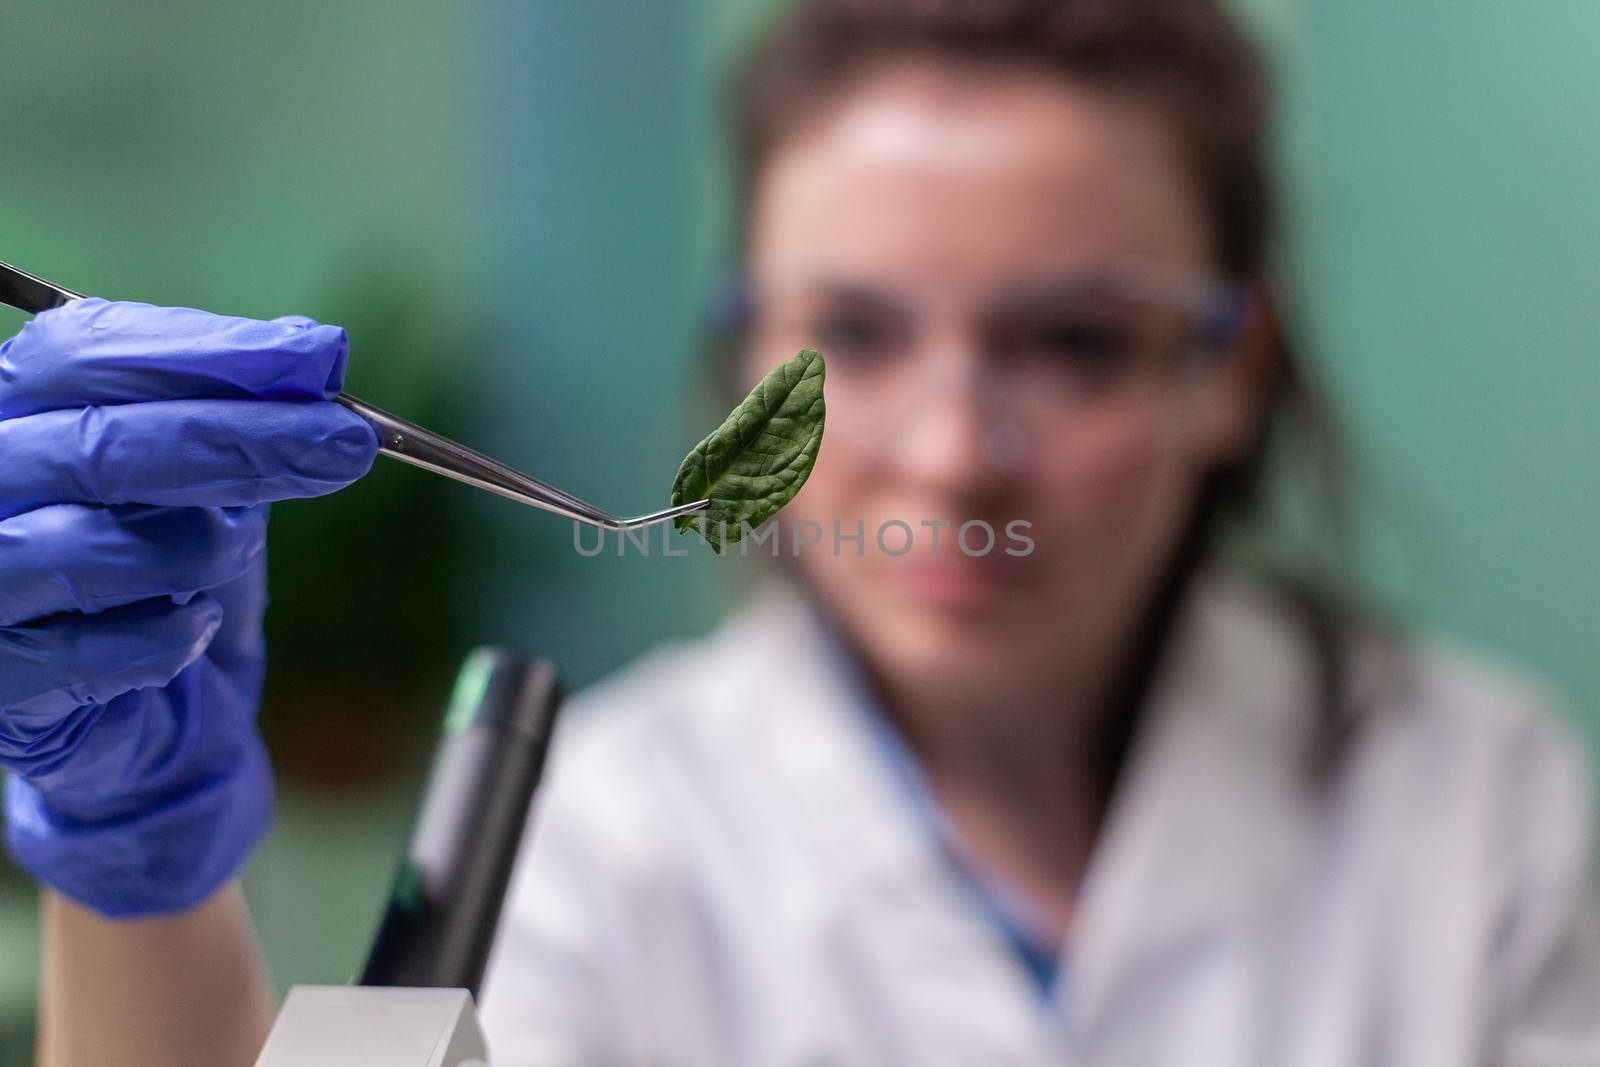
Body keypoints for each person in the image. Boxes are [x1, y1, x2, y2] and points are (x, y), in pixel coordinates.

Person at [3, 1, 1596, 1064]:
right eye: (854, 342)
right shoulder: (597, 836)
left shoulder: (1474, 804)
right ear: (742, 365)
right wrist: (141, 886)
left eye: (1080, 343)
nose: (957, 453)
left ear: (1229, 372)